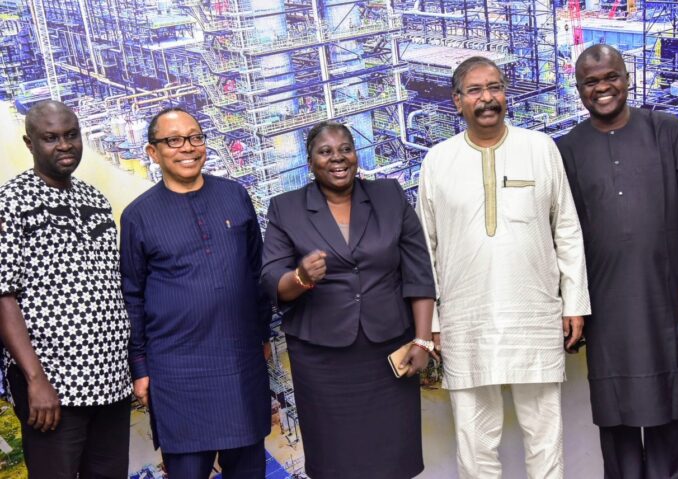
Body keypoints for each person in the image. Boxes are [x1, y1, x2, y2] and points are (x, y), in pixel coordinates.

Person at [416, 56, 591, 479]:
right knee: (475, 444)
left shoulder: (540, 148)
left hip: (534, 314)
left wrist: (574, 303)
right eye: (475, 90)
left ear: (506, 94)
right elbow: (425, 248)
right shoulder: (438, 161)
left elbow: (567, 229)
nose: (487, 98)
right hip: (466, 321)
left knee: (545, 436)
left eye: (494, 87)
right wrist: (433, 321)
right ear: (457, 101)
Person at [261, 121, 436, 479]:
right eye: (325, 152)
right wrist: (301, 277)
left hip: (388, 351)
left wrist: (422, 339)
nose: (337, 158)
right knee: (335, 460)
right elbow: (271, 281)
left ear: (356, 155)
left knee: (392, 457)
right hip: (322, 360)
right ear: (310, 162)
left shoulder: (389, 195)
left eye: (345, 149)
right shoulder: (286, 208)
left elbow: (418, 272)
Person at [557, 44, 678, 479]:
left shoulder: (669, 132)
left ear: (627, 78)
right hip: (605, 307)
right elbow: (563, 234)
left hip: (667, 299)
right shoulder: (567, 149)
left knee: (672, 404)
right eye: (591, 81)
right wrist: (571, 303)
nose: (602, 88)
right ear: (579, 89)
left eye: (610, 77)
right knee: (616, 419)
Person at [120, 107, 271, 479]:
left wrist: (263, 334)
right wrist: (139, 367)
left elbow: (257, 272)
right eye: (173, 140)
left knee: (249, 470)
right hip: (176, 373)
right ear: (153, 152)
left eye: (195, 137)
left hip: (240, 363)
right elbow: (132, 296)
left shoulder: (235, 196)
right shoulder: (138, 216)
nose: (187, 147)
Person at [0, 100, 131, 478]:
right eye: (51, 138)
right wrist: (35, 380)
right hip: (53, 388)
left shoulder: (95, 199)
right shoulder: (11, 201)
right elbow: (3, 295)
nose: (64, 145)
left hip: (111, 382)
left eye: (71, 135)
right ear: (30, 144)